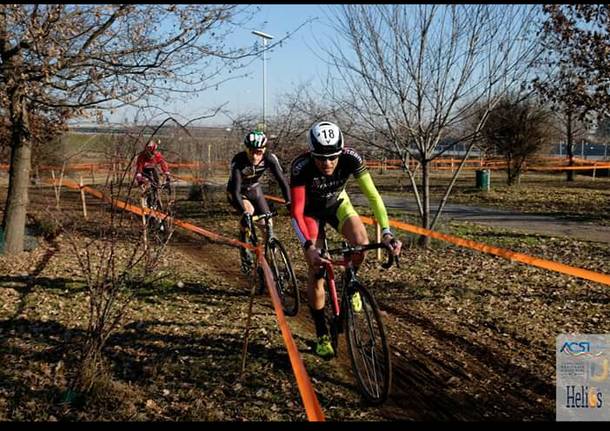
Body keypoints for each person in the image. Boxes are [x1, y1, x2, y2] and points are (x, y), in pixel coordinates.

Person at [290, 121, 402, 359]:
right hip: (310, 213)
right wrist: (308, 246)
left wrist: (386, 231)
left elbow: (373, 196)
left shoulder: (352, 158)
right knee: (317, 269)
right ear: (312, 153)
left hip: (337, 204)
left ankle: (351, 283)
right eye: (321, 158)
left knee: (360, 240)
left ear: (341, 151)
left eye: (333, 157)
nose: (328, 163)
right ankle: (321, 334)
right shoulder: (301, 167)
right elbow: (297, 212)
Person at [226, 130, 291, 273]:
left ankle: (270, 260)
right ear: (246, 149)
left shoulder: (270, 158)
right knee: (248, 212)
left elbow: (282, 181)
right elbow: (236, 190)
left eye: (259, 152)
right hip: (237, 192)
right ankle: (244, 248)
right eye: (251, 152)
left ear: (264, 150)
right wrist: (244, 213)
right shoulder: (239, 161)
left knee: (268, 225)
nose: (255, 156)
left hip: (255, 189)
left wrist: (289, 202)